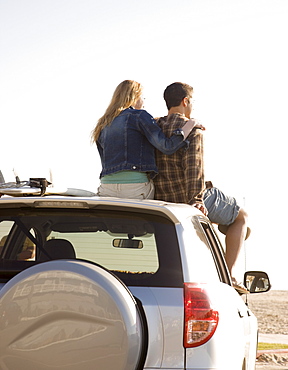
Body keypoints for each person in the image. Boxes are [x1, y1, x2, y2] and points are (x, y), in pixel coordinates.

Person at [153, 82, 249, 293]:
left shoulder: (154, 127)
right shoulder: (192, 130)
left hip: (162, 197)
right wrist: (196, 200)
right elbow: (194, 169)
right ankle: (229, 275)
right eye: (192, 101)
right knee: (241, 217)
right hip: (187, 196)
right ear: (185, 101)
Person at [91, 80, 202, 199]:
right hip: (136, 187)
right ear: (135, 97)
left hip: (106, 187)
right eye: (143, 97)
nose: (144, 102)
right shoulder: (139, 116)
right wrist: (190, 124)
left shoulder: (103, 124)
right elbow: (167, 147)